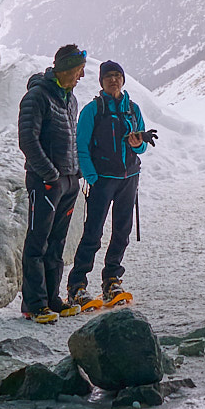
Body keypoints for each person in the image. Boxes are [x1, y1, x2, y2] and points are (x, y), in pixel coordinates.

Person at [66, 60, 157, 310]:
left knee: (121, 232)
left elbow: (141, 147)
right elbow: (81, 145)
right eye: (108, 77)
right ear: (102, 82)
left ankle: (111, 281)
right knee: (93, 233)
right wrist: (92, 177)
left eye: (117, 76)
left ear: (123, 80)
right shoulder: (92, 110)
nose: (113, 80)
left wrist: (136, 143)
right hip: (103, 180)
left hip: (129, 179)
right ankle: (77, 286)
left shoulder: (132, 109)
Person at [18, 44, 87, 323]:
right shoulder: (37, 97)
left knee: (57, 242)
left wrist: (75, 173)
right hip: (45, 183)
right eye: (79, 71)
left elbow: (72, 139)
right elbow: (28, 141)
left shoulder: (70, 99)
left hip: (68, 182)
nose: (81, 77)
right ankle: (34, 304)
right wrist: (49, 174)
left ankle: (52, 299)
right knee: (38, 241)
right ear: (65, 69)